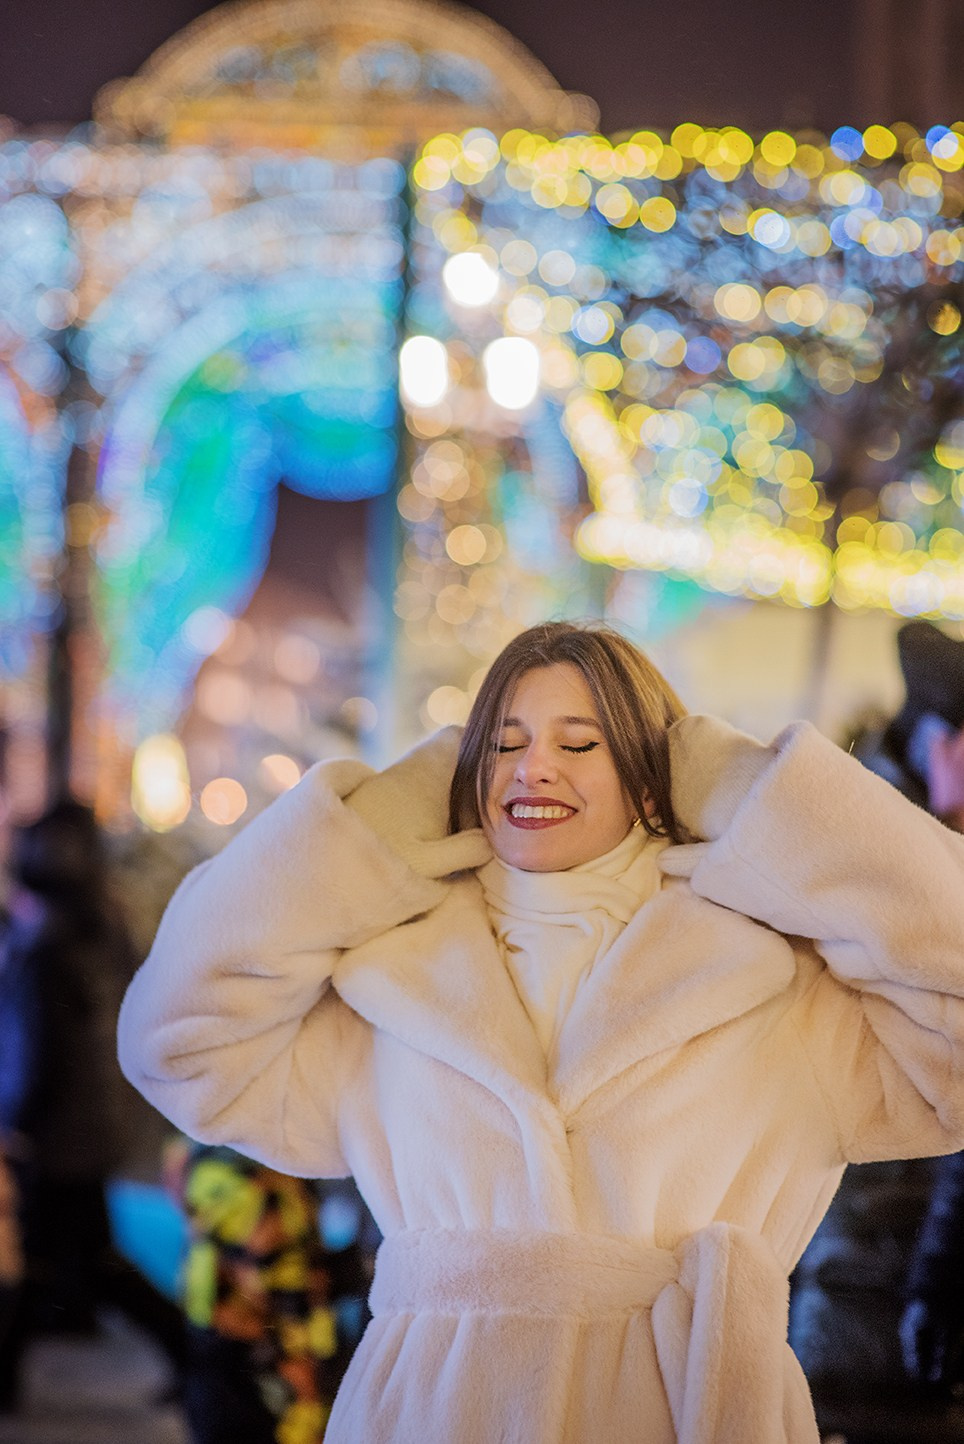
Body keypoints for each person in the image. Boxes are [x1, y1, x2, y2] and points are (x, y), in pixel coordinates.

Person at [118, 620, 964, 1444]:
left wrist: (755, 798)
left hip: (685, 1406)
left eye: (579, 742)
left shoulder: (776, 978)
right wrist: (370, 830)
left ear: (650, 778)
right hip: (429, 1413)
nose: (533, 768)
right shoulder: (384, 977)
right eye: (503, 743)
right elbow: (174, 1039)